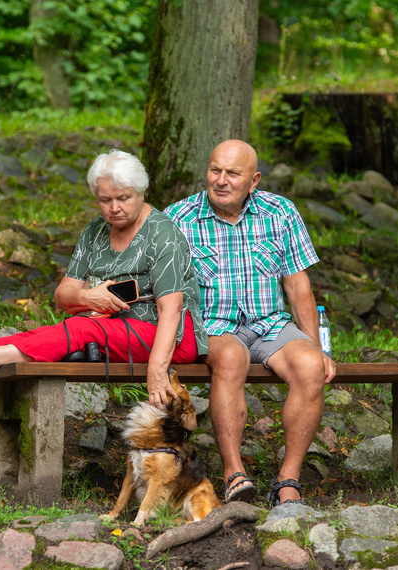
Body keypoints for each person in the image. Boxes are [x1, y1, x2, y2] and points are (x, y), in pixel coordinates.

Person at [0, 150, 208, 406]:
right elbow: (63, 296)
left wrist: (156, 371)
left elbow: (172, 310)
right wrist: (88, 297)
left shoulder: (163, 233)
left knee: (80, 329)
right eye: (105, 200)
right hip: (116, 327)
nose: (114, 208)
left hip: (173, 337)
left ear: (142, 193)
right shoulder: (95, 231)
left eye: (123, 198)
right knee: (58, 331)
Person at [165, 140, 336, 507]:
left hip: (270, 324)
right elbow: (165, 292)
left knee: (310, 367)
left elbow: (297, 285)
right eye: (215, 170)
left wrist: (317, 347)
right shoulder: (179, 218)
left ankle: (288, 481)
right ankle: (234, 474)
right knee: (230, 358)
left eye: (232, 173)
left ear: (253, 180)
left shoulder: (281, 212)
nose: (221, 180)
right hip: (213, 325)